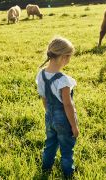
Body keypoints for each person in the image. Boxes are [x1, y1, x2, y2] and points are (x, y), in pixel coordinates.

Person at [35, 37, 79, 178]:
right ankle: (68, 174)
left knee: (50, 144)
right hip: (64, 119)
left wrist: (49, 113)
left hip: (49, 116)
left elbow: (44, 97)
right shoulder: (63, 80)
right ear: (63, 58)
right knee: (66, 149)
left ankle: (46, 168)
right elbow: (67, 104)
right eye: (69, 57)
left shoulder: (41, 74)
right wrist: (74, 126)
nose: (69, 60)